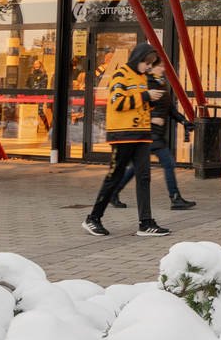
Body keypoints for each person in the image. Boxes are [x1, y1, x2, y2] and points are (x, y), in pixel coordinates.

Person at [82, 44, 168, 238]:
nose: (148, 67)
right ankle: (93, 218)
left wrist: (151, 103)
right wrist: (146, 96)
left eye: (151, 64)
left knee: (144, 177)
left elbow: (138, 104)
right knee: (115, 176)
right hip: (122, 135)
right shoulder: (121, 75)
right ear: (138, 58)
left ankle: (145, 223)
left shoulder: (143, 79)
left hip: (142, 134)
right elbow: (118, 103)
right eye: (146, 63)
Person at [110, 61, 196, 212]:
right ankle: (175, 198)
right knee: (167, 163)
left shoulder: (161, 84)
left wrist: (184, 121)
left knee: (136, 167)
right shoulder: (146, 84)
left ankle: (113, 192)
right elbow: (137, 107)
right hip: (148, 132)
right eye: (160, 67)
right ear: (152, 68)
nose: (163, 69)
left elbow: (170, 108)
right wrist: (151, 118)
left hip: (157, 134)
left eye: (163, 67)